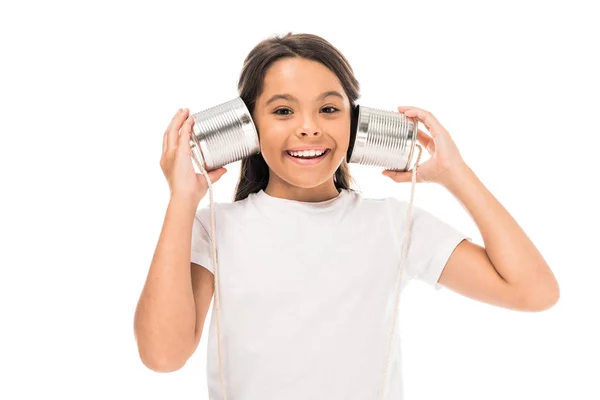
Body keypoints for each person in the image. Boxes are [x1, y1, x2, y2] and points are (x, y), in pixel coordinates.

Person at [134, 33, 560, 400]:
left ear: (355, 124)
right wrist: (181, 201)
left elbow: (534, 291)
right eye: (283, 111)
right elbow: (163, 356)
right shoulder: (214, 228)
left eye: (329, 109)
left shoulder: (394, 225)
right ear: (249, 126)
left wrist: (456, 175)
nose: (309, 127)